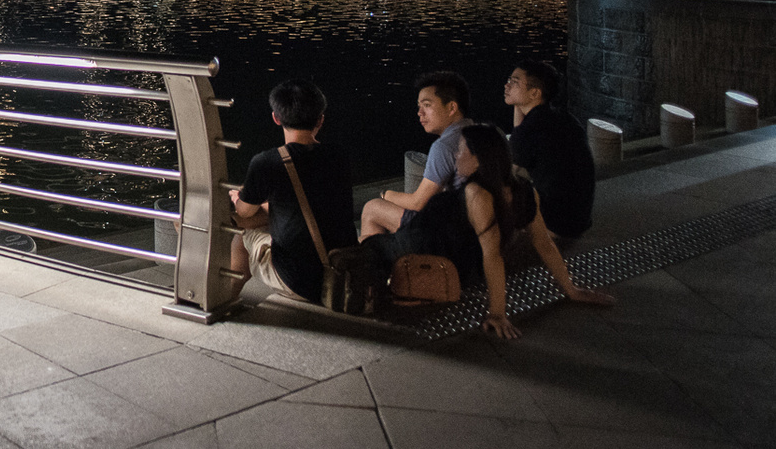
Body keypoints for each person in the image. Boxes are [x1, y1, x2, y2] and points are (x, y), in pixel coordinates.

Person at [367, 124, 613, 339]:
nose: (456, 155)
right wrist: (570, 289)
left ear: (478, 158)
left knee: (369, 246)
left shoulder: (477, 194)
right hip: (438, 242)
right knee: (375, 232)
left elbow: (492, 255)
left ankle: (369, 288)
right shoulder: (524, 190)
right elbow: (543, 242)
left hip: (427, 248)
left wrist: (498, 313)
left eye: (462, 149)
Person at [227, 80, 358, 302]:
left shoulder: (266, 162)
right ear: (320, 119)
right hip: (344, 272)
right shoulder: (339, 155)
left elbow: (245, 213)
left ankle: (224, 298)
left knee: (243, 237)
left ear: (276, 118)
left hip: (300, 282)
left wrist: (238, 197)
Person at [360, 71, 472, 238]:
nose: (420, 113)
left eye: (427, 105)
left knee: (372, 208)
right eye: (419, 106)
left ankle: (372, 262)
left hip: (453, 234)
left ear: (451, 108)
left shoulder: (445, 146)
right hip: (480, 225)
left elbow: (418, 203)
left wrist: (386, 194)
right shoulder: (484, 132)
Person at [505, 60, 596, 242]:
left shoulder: (530, 130)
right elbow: (520, 140)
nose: (506, 85)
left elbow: (507, 174)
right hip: (579, 218)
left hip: (556, 224)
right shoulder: (564, 119)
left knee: (498, 188)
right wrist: (518, 103)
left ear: (535, 93)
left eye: (514, 82)